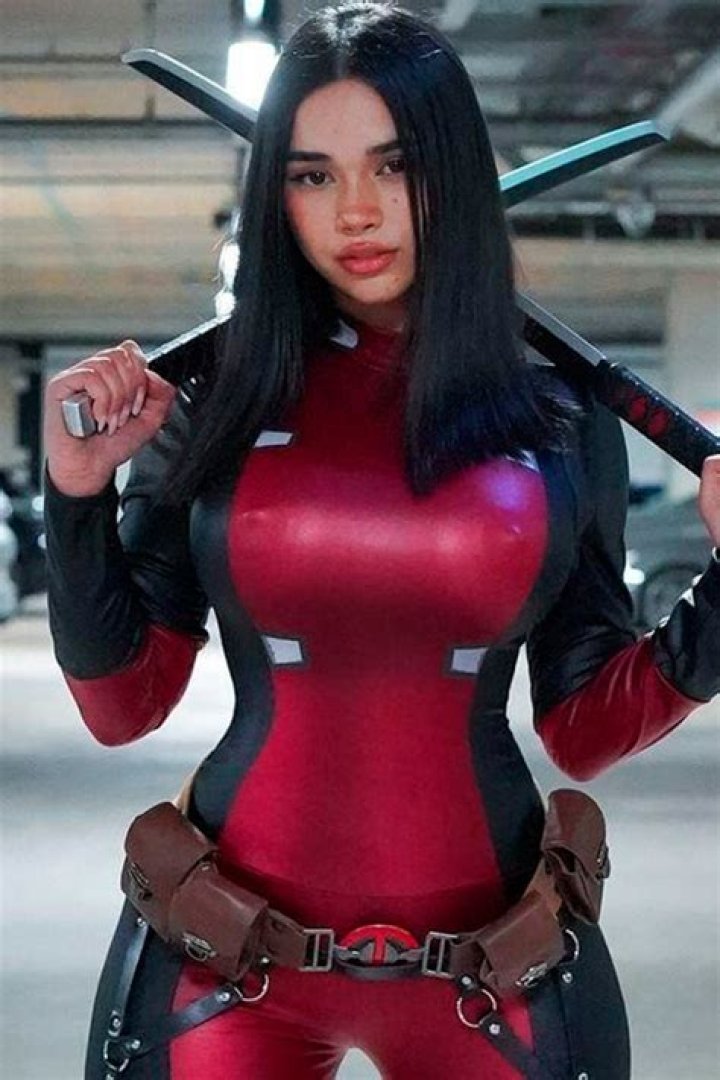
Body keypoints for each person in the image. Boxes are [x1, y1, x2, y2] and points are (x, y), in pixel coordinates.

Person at [42, 3, 720, 1078]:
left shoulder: (559, 414)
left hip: (495, 972)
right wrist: (77, 497)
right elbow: (124, 704)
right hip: (223, 964)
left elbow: (585, 727)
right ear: (277, 197)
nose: (355, 210)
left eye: (394, 165)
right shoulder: (219, 396)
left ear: (451, 170)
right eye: (312, 175)